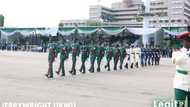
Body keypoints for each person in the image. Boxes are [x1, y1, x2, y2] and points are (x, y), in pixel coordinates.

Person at [172, 32, 190, 107]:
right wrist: (186, 54)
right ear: (183, 41)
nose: (189, 42)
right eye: (188, 40)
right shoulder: (178, 51)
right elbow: (175, 61)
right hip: (180, 83)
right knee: (179, 104)